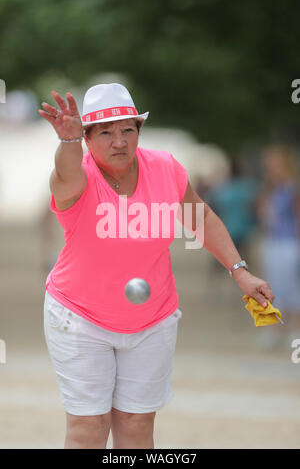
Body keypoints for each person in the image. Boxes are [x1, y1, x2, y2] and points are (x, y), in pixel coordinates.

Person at [38, 83, 275, 449]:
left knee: (136, 425)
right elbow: (64, 174)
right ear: (86, 138)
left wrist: (240, 271)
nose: (119, 141)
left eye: (127, 130)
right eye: (105, 132)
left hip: (152, 317)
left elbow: (201, 218)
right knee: (89, 426)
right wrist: (67, 143)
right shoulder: (78, 177)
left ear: (139, 131)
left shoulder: (165, 169)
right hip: (79, 316)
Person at [256, 144, 300, 348]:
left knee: (292, 287)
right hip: (273, 241)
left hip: (289, 242)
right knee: (275, 287)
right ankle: (278, 329)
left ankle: (294, 329)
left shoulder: (291, 189)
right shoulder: (270, 189)